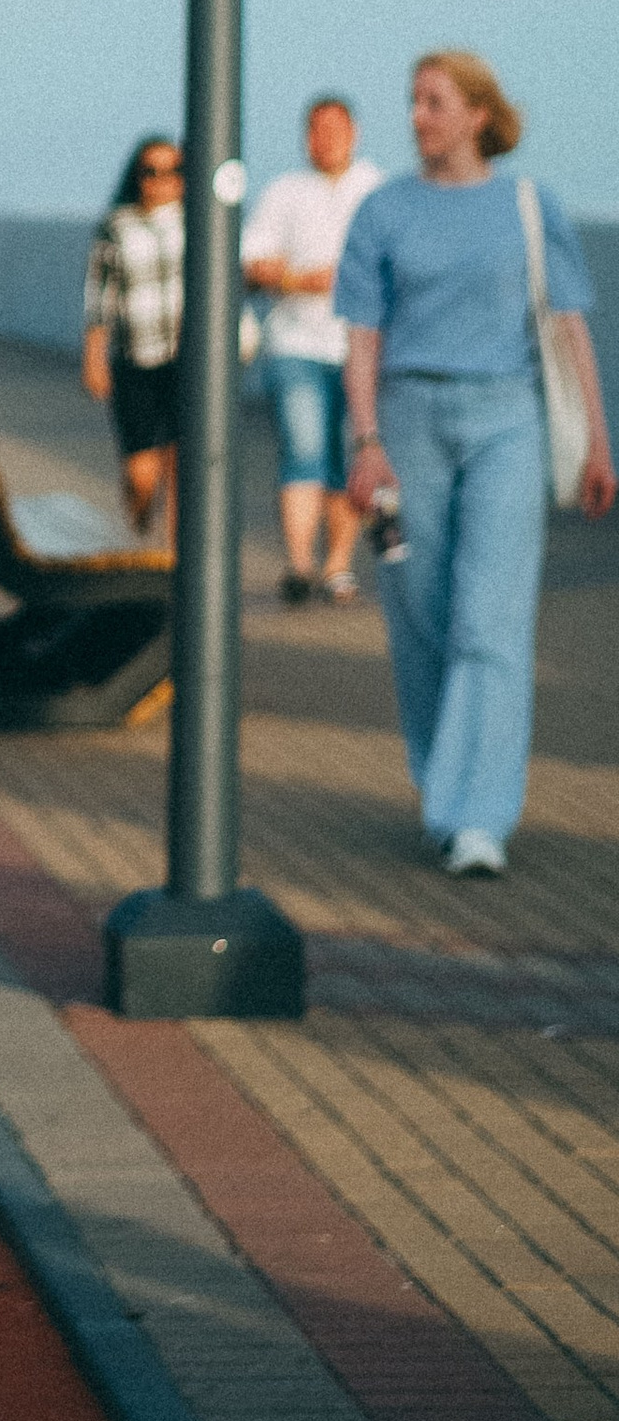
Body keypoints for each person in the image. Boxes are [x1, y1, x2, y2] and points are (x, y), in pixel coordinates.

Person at [338, 50, 612, 878]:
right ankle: (441, 789)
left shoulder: (529, 206)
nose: (418, 115)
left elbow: (568, 326)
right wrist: (364, 440)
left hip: (507, 418)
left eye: (435, 101)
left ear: (479, 115)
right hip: (409, 419)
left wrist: (599, 436)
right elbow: (360, 338)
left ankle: (479, 816)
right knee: (420, 616)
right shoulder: (382, 212)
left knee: (488, 619)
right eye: (414, 100)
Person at [243, 96, 383, 602]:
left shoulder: (377, 189)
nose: (325, 140)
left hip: (359, 346)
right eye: (316, 130)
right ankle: (300, 564)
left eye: (335, 129)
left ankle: (338, 565)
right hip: (295, 342)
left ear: (355, 133)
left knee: (349, 453)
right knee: (304, 450)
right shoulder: (285, 191)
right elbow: (253, 262)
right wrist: (300, 279)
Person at [82, 135, 185, 544]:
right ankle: (140, 523)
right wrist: (94, 358)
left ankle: (178, 569)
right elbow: (99, 299)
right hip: (135, 361)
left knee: (182, 469)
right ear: (137, 176)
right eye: (151, 171)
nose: (162, 181)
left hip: (184, 360)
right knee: (142, 473)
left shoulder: (198, 222)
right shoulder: (116, 227)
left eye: (172, 171)